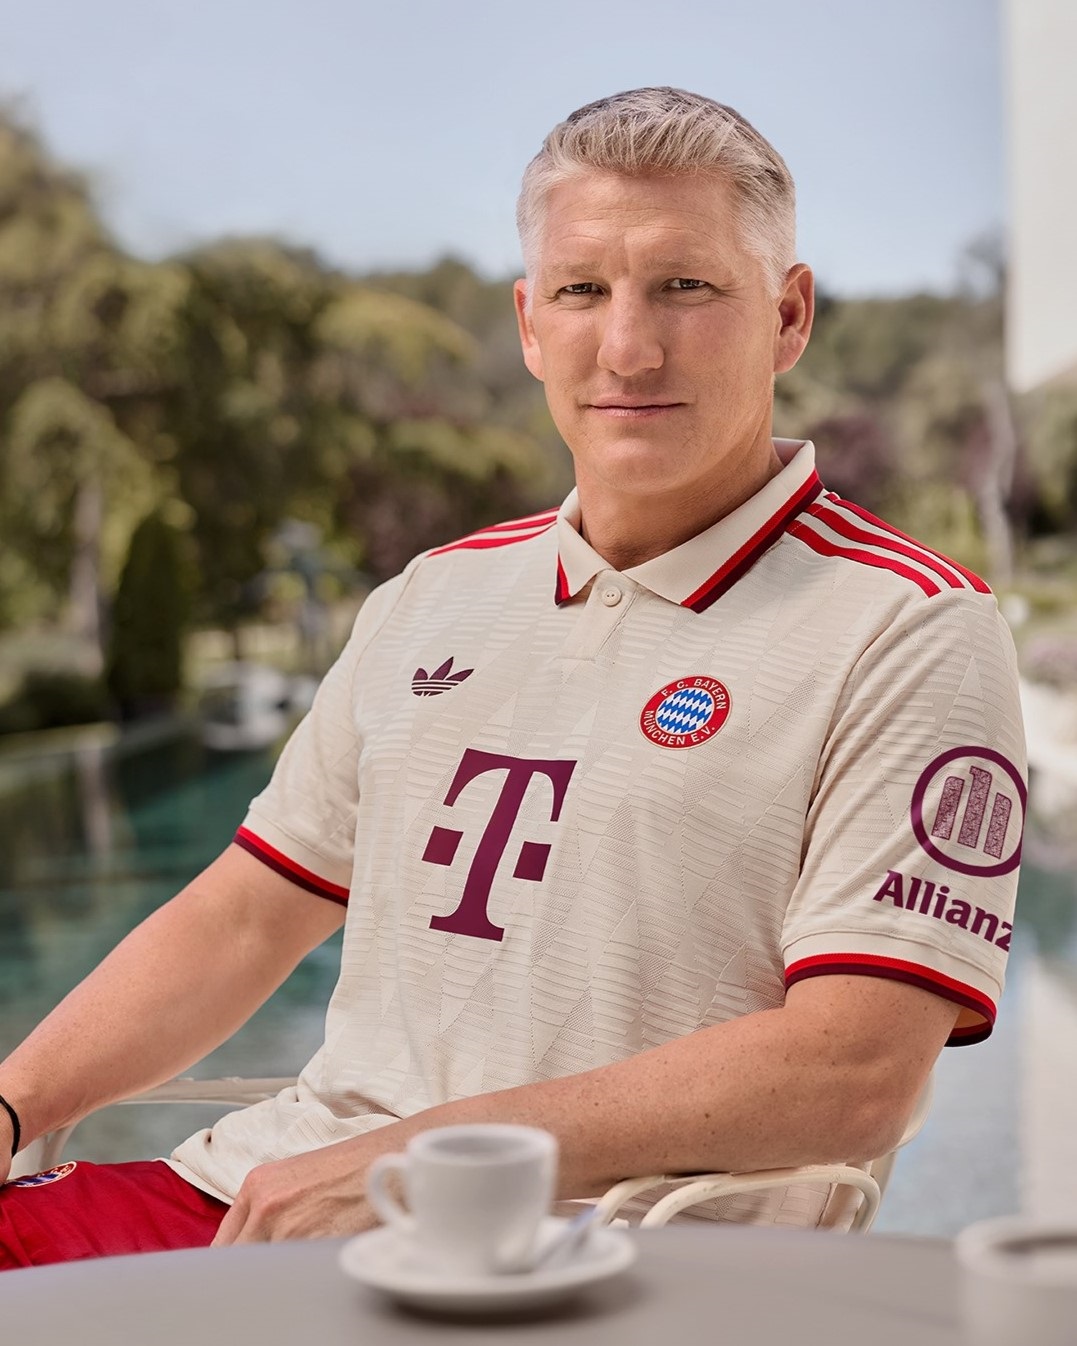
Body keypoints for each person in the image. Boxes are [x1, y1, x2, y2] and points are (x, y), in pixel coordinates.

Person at [0, 87, 1025, 1267]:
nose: (628, 347)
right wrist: (14, 1104)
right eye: (584, 290)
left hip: (598, 1257)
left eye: (685, 286)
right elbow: (244, 916)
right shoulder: (432, 596)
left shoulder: (908, 625)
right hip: (278, 1198)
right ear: (531, 323)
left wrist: (418, 1160)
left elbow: (853, 1070)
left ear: (788, 315)